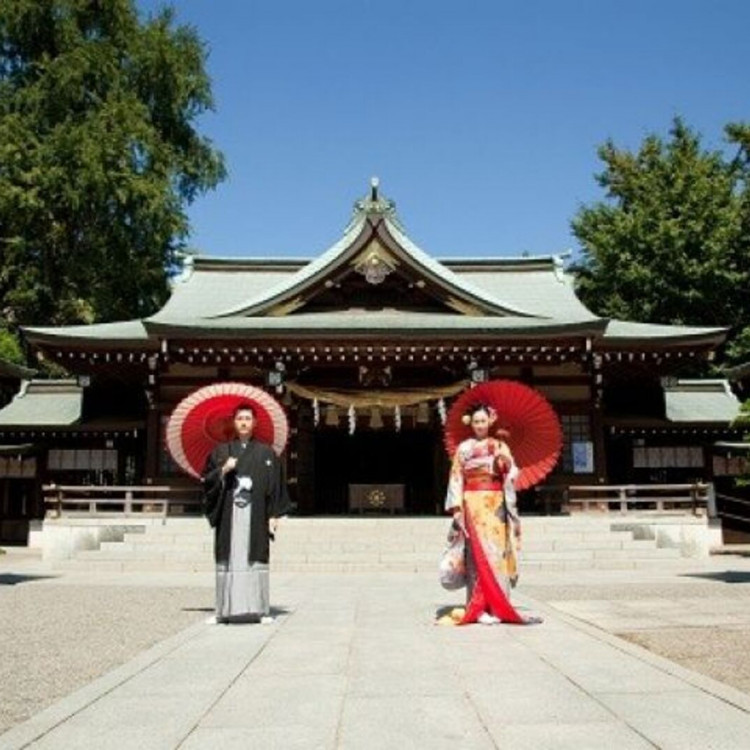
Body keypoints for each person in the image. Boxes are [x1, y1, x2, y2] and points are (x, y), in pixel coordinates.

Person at [443, 403, 536, 625]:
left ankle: (498, 605)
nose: (480, 425)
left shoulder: (499, 445)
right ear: (470, 423)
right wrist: (457, 508)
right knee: (476, 556)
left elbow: (511, 472)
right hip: (472, 502)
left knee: (497, 555)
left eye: (483, 421)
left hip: (495, 506)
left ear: (490, 422)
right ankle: (478, 608)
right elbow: (456, 476)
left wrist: (503, 462)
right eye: (476, 421)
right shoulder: (464, 448)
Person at [201, 403, 291, 624]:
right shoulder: (221, 452)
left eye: (248, 419)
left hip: (256, 514)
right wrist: (223, 470)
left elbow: (275, 486)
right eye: (240, 418)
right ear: (234, 422)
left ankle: (260, 610)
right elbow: (207, 481)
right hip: (230, 514)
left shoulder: (266, 453)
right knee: (227, 558)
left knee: (256, 557)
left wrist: (274, 515)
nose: (243, 422)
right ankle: (223, 611)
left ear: (255, 423)